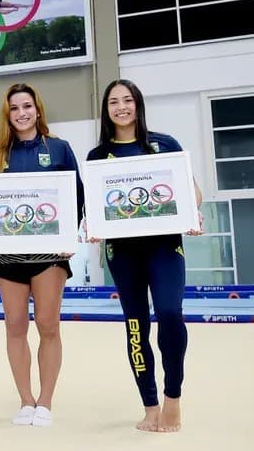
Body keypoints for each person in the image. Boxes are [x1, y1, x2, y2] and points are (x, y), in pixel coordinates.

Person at [86, 79, 203, 433]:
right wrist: (92, 224)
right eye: (113, 102)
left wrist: (192, 214)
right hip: (123, 253)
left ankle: (173, 398)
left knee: (170, 313)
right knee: (136, 325)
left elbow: (192, 192)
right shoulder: (97, 156)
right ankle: (150, 406)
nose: (121, 107)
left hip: (164, 247)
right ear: (106, 110)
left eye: (127, 100)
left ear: (137, 104)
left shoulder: (164, 145)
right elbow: (93, 208)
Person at [0, 83, 84, 427]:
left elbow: (76, 196)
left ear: (38, 110)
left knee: (48, 325)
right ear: (7, 114)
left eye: (27, 106)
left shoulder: (59, 149)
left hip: (49, 255)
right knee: (15, 326)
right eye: (14, 108)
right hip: (8, 256)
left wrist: (69, 234)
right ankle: (26, 401)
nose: (21, 113)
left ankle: (46, 402)